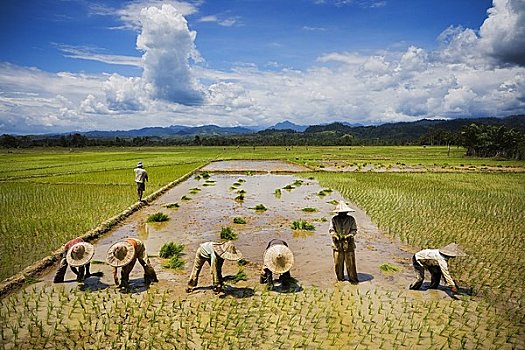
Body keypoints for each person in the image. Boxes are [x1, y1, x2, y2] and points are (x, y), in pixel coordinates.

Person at [329, 200, 359, 283]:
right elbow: (331, 230)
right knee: (338, 263)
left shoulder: (351, 219)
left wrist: (350, 235)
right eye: (340, 213)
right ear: (337, 213)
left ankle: (353, 279)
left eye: (344, 212)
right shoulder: (334, 219)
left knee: (351, 263)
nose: (342, 214)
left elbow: (354, 230)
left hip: (349, 244)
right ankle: (340, 279)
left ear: (346, 212)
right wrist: (335, 235)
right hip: (337, 244)